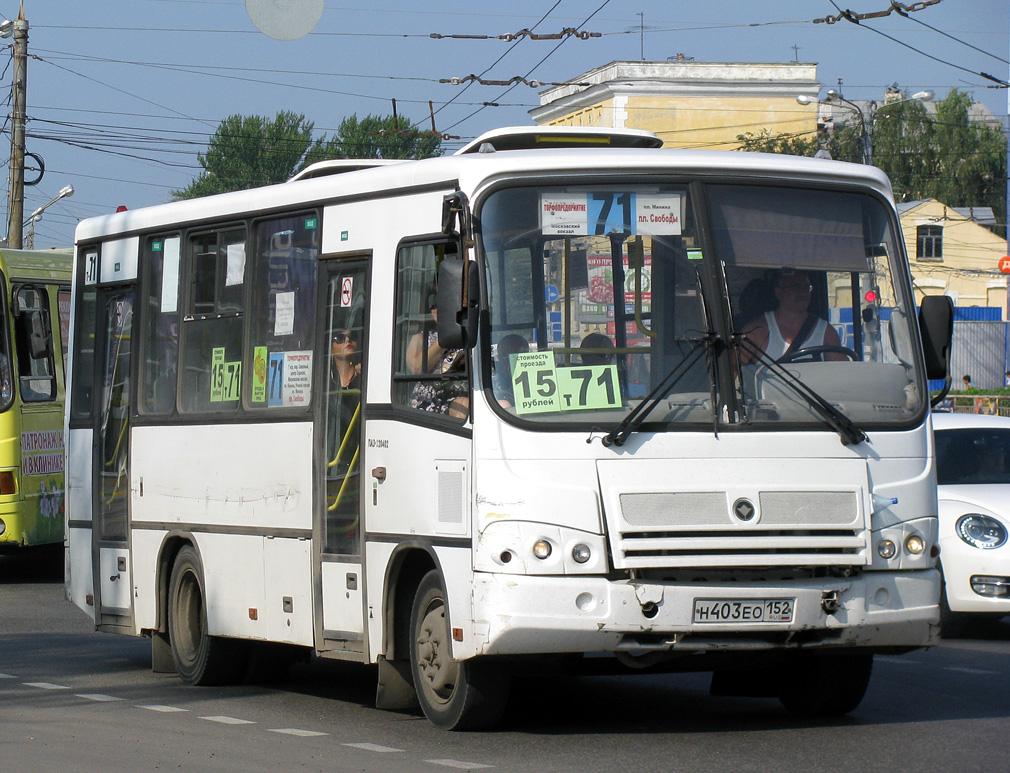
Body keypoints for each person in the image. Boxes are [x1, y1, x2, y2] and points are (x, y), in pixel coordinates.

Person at [741, 270, 844, 363]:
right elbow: (733, 371)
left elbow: (841, 375)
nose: (803, 293)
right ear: (779, 292)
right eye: (796, 287)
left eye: (807, 287)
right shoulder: (756, 331)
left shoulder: (826, 331)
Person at [407, 291, 468, 417]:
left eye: (445, 304)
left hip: (469, 391)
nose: (438, 309)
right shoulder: (421, 338)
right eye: (434, 305)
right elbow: (416, 368)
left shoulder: (468, 335)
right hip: (435, 398)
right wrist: (446, 336)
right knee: (463, 407)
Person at [494, 333, 529, 407]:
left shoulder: (535, 373)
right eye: (506, 355)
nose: (513, 359)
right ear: (499, 358)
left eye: (519, 354)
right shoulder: (492, 377)